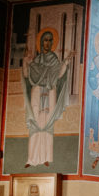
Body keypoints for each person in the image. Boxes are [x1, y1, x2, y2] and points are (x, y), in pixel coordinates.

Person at [22, 30, 71, 167]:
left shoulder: (54, 60)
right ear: (41, 42)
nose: (47, 43)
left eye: (50, 40)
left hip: (50, 92)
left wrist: (66, 63)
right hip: (37, 92)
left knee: (48, 124)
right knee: (35, 124)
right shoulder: (36, 60)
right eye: (45, 40)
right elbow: (27, 76)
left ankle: (46, 157)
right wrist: (25, 62)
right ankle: (31, 158)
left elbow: (59, 76)